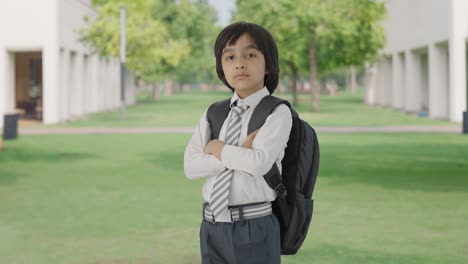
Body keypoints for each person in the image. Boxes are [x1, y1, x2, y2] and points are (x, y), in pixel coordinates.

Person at [184, 21, 292, 264]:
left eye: (250, 54)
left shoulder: (276, 112)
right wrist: (236, 155)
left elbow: (257, 164)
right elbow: (190, 167)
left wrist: (218, 149)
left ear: (268, 65)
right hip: (211, 226)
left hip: (254, 226)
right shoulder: (214, 113)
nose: (239, 63)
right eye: (230, 57)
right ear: (222, 67)